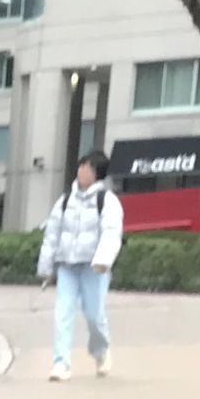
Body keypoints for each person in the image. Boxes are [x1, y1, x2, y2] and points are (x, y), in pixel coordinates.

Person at [37, 150, 123, 380]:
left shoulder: (107, 200)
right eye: (81, 166)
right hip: (67, 266)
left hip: (94, 268)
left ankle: (100, 351)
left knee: (95, 316)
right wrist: (46, 269)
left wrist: (103, 261)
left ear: (97, 174)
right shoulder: (65, 200)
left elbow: (112, 233)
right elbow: (52, 235)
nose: (82, 171)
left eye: (88, 167)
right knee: (62, 314)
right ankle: (60, 363)